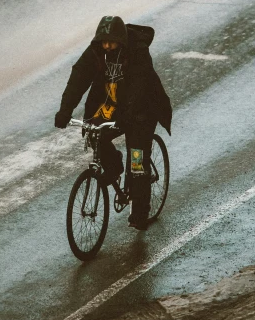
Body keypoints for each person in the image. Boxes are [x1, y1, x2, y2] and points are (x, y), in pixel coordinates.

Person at [55, 16, 172, 230]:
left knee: (137, 163)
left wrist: (127, 115)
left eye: (111, 42)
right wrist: (65, 111)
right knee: (94, 133)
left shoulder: (137, 51)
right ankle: (114, 165)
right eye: (103, 42)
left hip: (142, 111)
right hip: (113, 106)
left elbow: (140, 85)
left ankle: (140, 212)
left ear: (122, 41)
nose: (107, 46)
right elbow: (78, 78)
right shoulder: (98, 51)